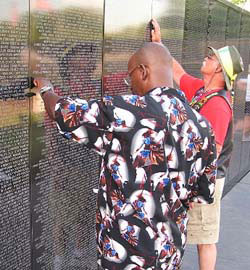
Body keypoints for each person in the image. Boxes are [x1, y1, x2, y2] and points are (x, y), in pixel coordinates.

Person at [33, 42, 217, 270]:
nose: (130, 87)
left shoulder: (128, 111)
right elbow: (202, 194)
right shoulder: (203, 127)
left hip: (125, 256)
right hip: (170, 253)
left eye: (131, 78)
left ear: (143, 71)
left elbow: (64, 113)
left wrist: (46, 90)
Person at [151, 19, 244, 270]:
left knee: (205, 238)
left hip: (205, 181)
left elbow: (209, 155)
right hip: (194, 179)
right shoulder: (203, 92)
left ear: (219, 71)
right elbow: (178, 73)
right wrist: (159, 44)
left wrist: (195, 188)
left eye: (212, 58)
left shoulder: (217, 105)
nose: (207, 57)